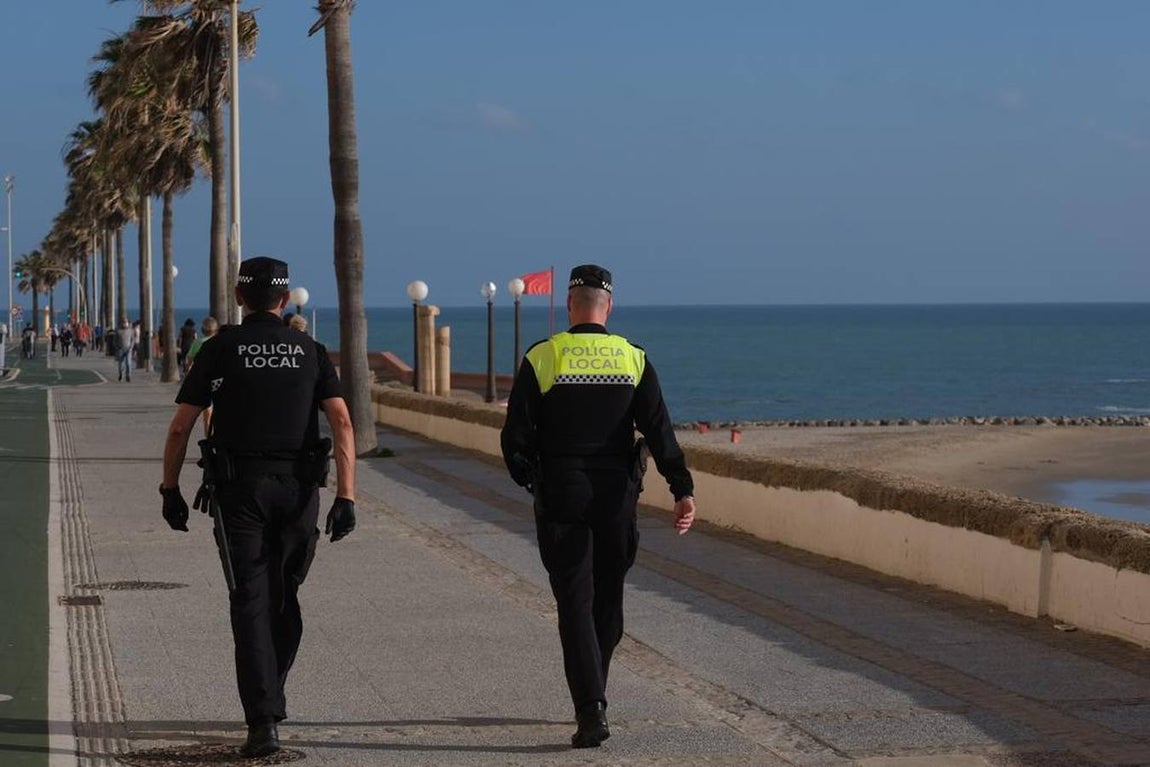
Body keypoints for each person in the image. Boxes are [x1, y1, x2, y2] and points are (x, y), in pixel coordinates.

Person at [159, 256, 357, 759]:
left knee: (250, 599)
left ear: (239, 297)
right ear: (284, 299)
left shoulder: (220, 348)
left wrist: (170, 489)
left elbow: (182, 425)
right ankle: (271, 691)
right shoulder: (310, 350)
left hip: (239, 492)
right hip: (299, 492)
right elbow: (342, 422)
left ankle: (263, 719)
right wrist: (347, 497)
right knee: (283, 595)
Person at [500, 264, 697, 749]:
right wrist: (682, 489)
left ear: (571, 305)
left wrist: (531, 478)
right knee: (608, 600)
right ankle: (596, 694)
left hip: (562, 492)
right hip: (617, 496)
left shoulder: (543, 356)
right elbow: (659, 431)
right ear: (608, 307)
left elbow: (515, 437)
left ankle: (592, 709)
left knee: (574, 603)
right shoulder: (633, 358)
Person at [185, 316, 220, 437]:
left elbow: (190, 359)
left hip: (203, 379)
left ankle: (208, 435)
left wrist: (190, 371)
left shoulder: (198, 342)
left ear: (203, 329)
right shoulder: (219, 342)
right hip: (218, 379)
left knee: (207, 412)